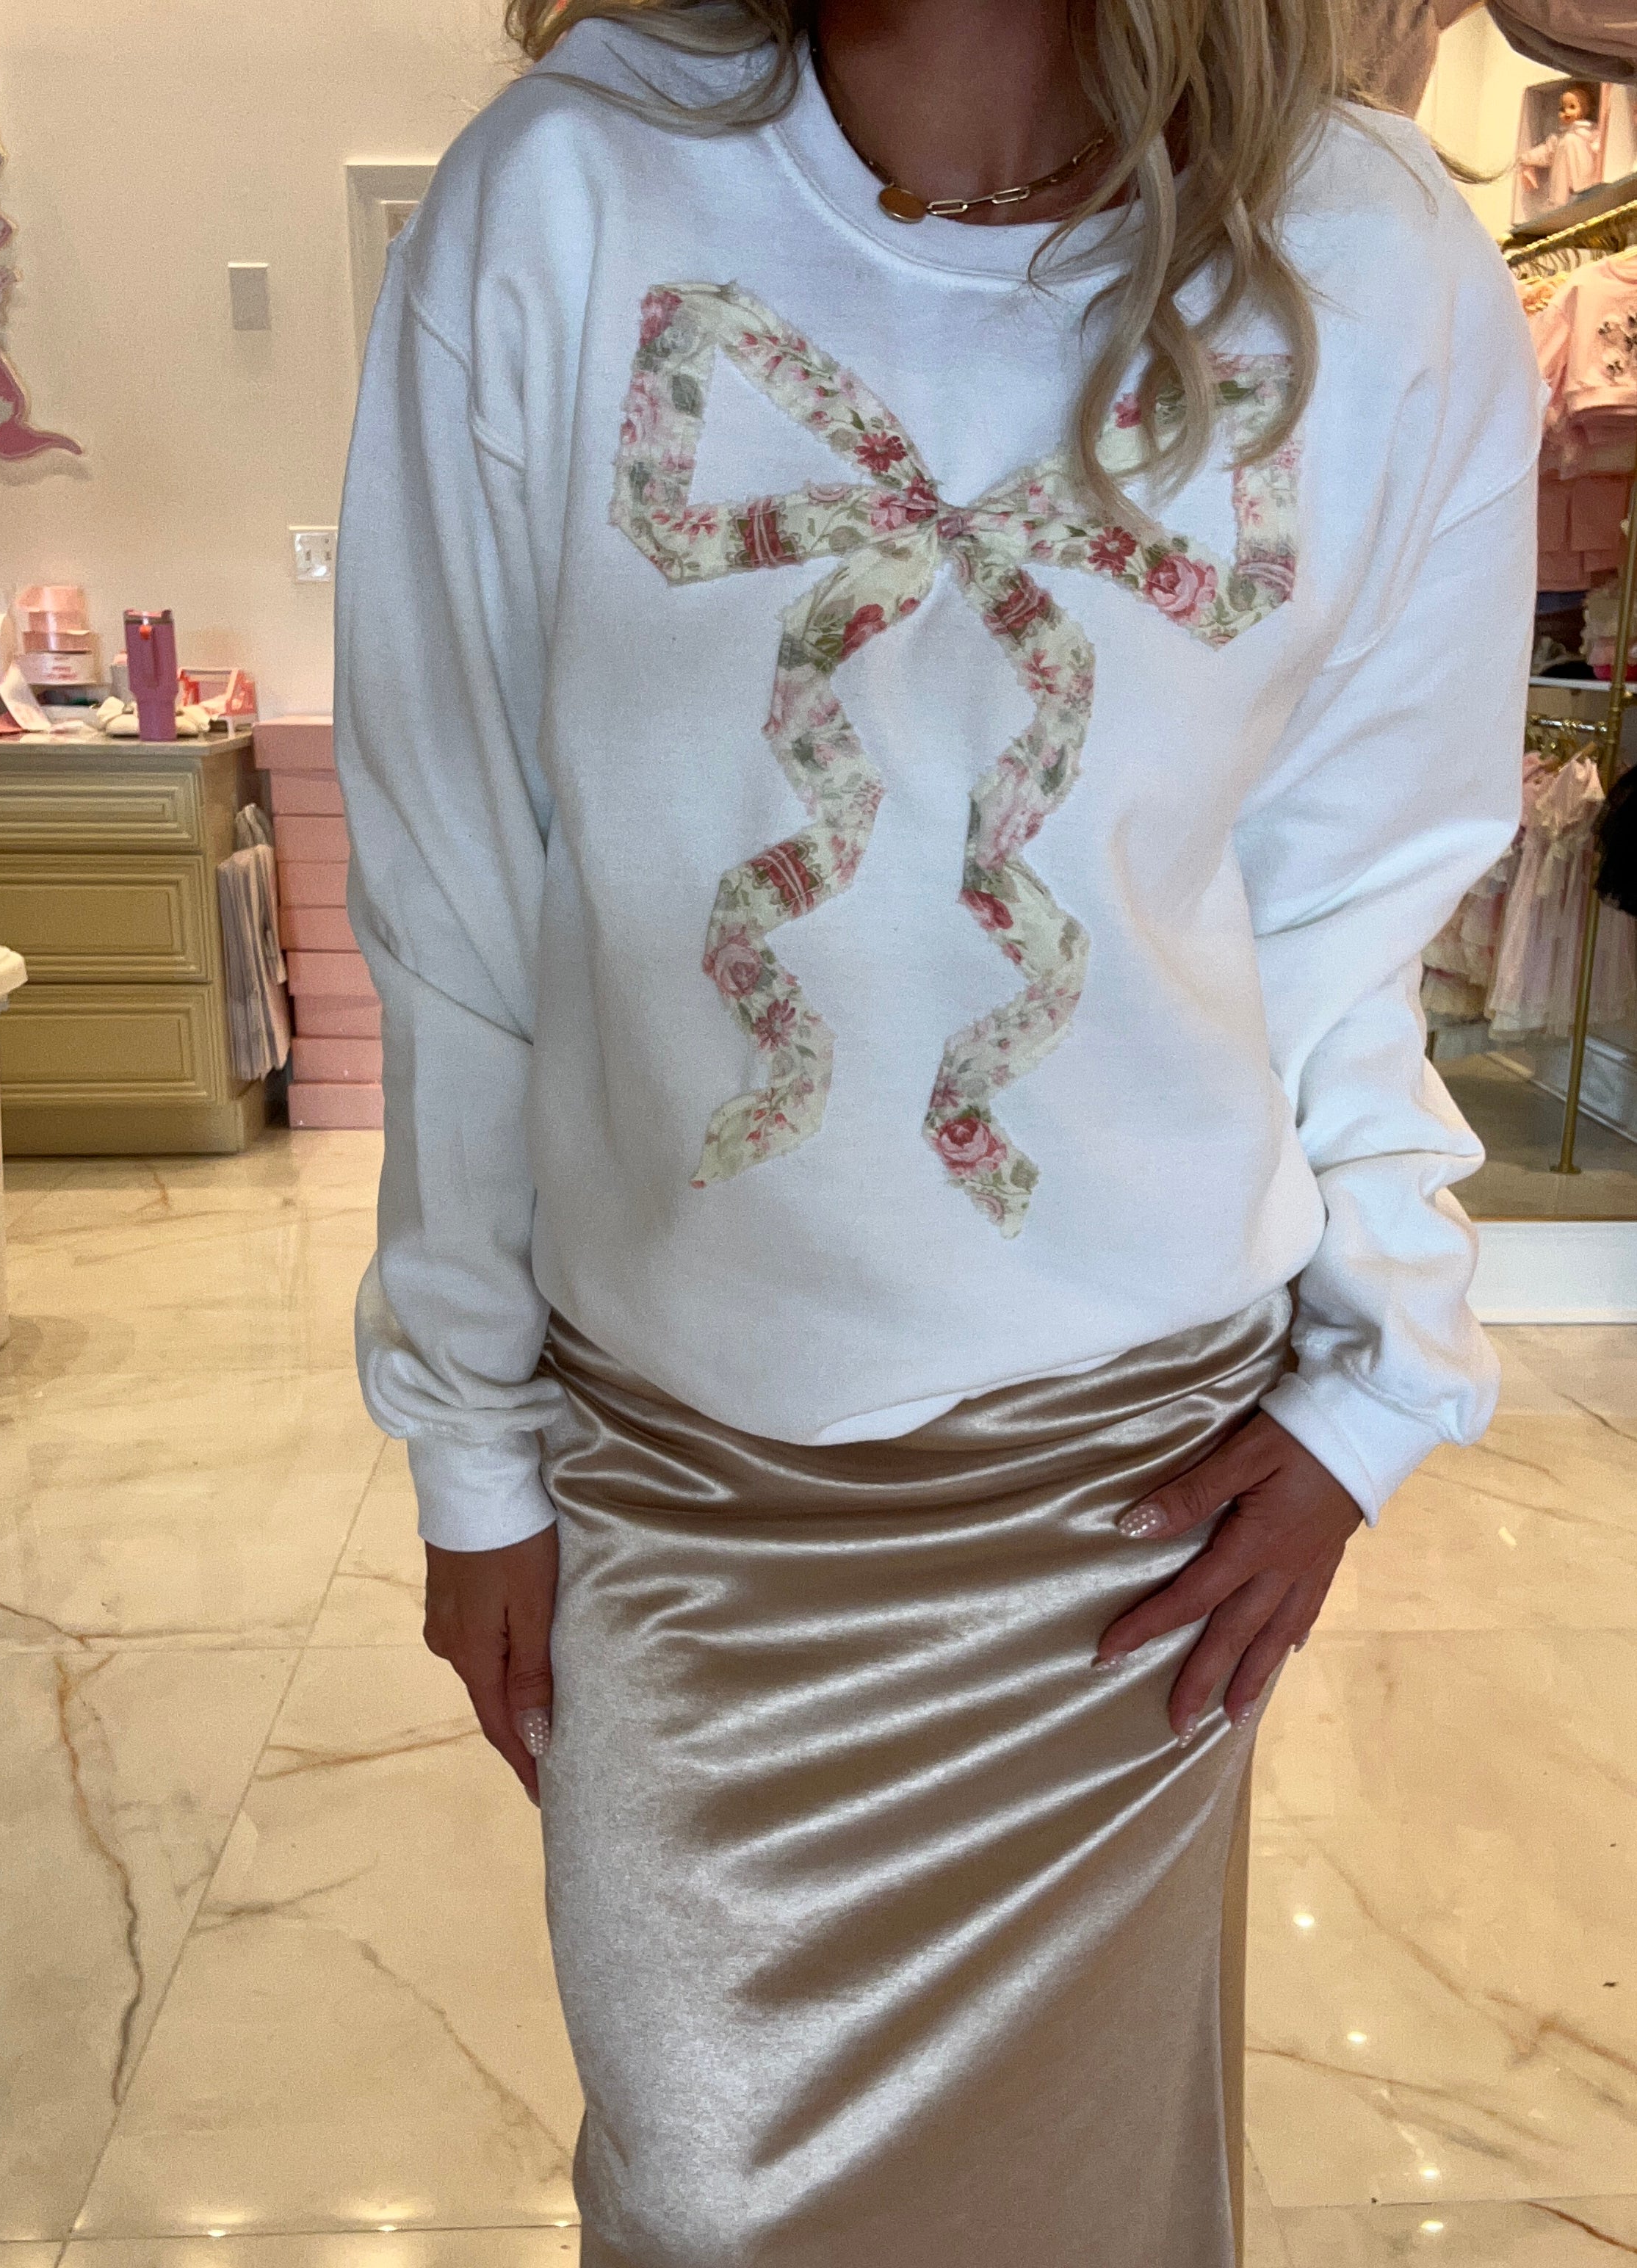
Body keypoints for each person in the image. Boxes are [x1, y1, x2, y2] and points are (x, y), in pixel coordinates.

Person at [333, 1, 1538, 2261]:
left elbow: (1346, 909)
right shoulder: (567, 191)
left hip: (1121, 1520)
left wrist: (1381, 1387)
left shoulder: (1366, 257)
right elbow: (458, 892)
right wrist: (469, 1445)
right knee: (706, 2195)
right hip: (687, 1497)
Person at [1519, 76, 1603, 209]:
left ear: (1585, 109)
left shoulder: (1589, 131)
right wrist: (1525, 159)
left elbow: (1600, 147)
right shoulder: (1559, 139)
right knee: (1565, 144)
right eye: (1563, 109)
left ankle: (1583, 193)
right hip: (1563, 189)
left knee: (1570, 140)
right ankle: (1558, 202)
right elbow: (1545, 152)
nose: (1566, 112)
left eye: (1572, 107)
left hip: (1584, 178)